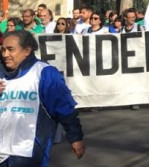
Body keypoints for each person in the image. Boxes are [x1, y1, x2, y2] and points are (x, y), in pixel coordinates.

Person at [0, 30, 85, 165]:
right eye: (3, 50)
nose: (5, 55)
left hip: (27, 153)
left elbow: (64, 108)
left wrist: (75, 137)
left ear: (27, 50)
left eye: (11, 50)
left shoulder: (44, 73)